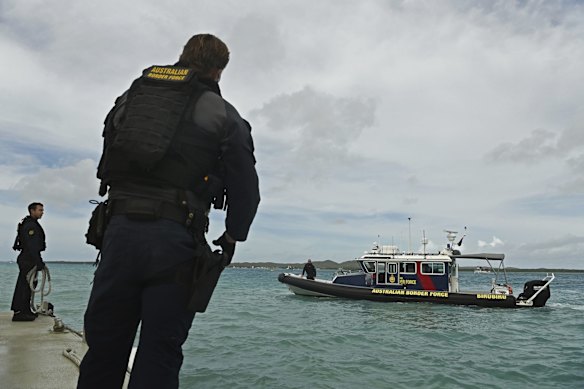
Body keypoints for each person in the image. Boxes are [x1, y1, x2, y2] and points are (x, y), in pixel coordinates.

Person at [77, 34, 260, 389]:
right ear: (218, 70)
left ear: (182, 56)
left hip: (117, 233)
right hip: (175, 241)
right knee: (159, 352)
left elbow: (109, 150)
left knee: (103, 348)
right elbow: (246, 188)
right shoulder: (221, 112)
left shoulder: (132, 97)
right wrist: (234, 235)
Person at [11, 202, 46, 322]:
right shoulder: (31, 226)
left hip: (29, 257)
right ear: (32, 211)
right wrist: (39, 261)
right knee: (24, 285)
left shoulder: (31, 223)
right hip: (28, 258)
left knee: (29, 285)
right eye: (40, 210)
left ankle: (25, 310)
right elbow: (32, 246)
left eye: (42, 210)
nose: (42, 212)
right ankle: (19, 312)